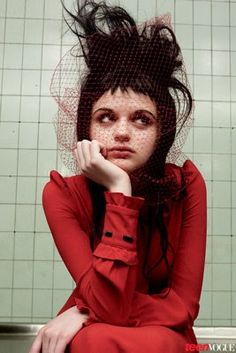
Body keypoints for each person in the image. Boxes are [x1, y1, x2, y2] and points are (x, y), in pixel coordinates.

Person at [29, 1, 207, 352]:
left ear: (162, 132)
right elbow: (108, 306)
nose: (122, 133)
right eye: (106, 118)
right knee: (94, 340)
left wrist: (83, 309)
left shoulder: (186, 186)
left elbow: (184, 307)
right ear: (86, 126)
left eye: (142, 119)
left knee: (146, 340)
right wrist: (119, 191)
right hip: (103, 329)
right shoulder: (61, 194)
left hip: (155, 335)